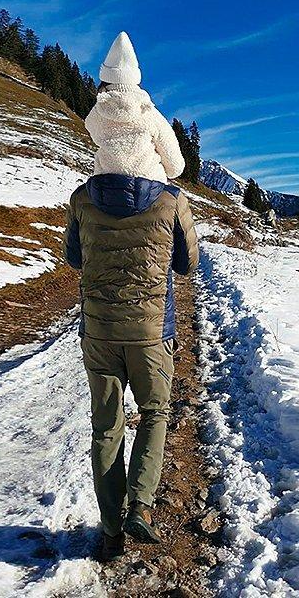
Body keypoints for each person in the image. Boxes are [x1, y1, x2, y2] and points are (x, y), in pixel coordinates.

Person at [62, 31, 199, 563]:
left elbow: (74, 258)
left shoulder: (81, 198)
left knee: (105, 427)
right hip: (151, 331)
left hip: (97, 331)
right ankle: (140, 506)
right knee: (156, 412)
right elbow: (187, 266)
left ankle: (110, 527)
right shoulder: (171, 200)